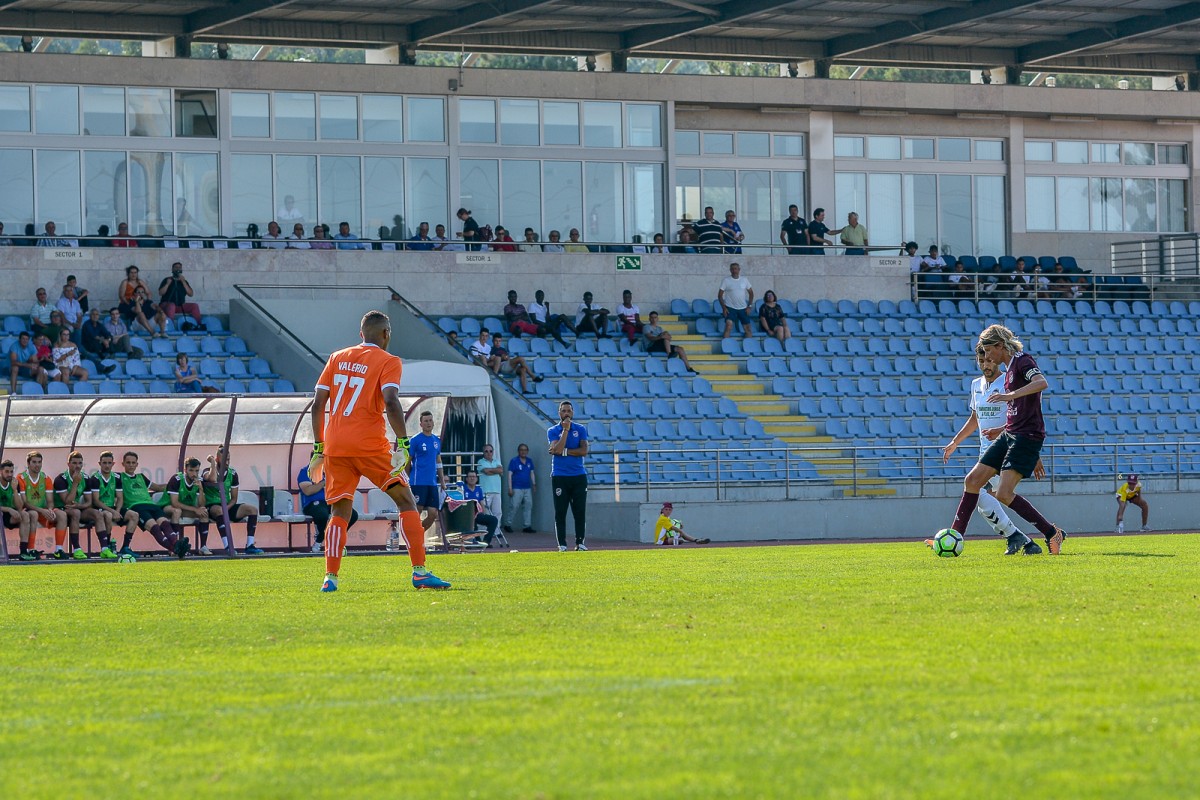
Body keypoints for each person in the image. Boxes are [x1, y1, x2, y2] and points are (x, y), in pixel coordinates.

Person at [308, 312, 451, 591]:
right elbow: (391, 401)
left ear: (362, 334)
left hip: (336, 445)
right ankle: (419, 572)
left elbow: (317, 404)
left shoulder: (337, 357)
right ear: (386, 334)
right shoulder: (389, 361)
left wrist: (319, 447)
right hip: (370, 444)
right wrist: (404, 443)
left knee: (339, 510)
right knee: (406, 501)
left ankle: (330, 578)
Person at [946, 324, 1066, 556]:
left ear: (1000, 346)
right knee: (972, 481)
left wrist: (1009, 395)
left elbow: (1042, 383)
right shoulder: (1010, 367)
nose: (986, 357)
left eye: (988, 351)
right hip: (1009, 433)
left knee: (1002, 494)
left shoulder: (1022, 360)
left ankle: (1051, 532)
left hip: (1025, 435)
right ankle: (954, 537)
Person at [936, 346, 1035, 553]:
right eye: (982, 362)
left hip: (1006, 449)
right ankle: (1021, 538)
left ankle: (1027, 535)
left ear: (996, 360)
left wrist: (1001, 431)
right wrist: (955, 442)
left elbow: (1020, 416)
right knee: (986, 497)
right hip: (985, 453)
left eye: (989, 361)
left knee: (984, 492)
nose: (986, 365)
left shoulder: (1008, 382)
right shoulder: (976, 385)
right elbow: (975, 418)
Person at [117, 451, 190, 559]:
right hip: (136, 507)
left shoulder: (141, 476)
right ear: (123, 464)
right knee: (155, 528)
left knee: (165, 524)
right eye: (128, 462)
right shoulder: (119, 477)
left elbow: (158, 488)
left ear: (137, 464)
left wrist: (174, 484)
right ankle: (176, 548)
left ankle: (176, 546)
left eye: (133, 462)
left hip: (152, 505)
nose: (131, 465)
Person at [202, 446, 262, 555]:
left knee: (252, 509)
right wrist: (212, 464)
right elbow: (212, 479)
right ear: (217, 459)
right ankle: (228, 546)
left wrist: (227, 508)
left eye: (228, 459)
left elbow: (234, 498)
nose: (227, 462)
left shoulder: (233, 474)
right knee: (219, 510)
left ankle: (250, 545)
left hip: (227, 506)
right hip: (212, 507)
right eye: (224, 459)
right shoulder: (207, 471)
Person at [548, 400, 589, 552]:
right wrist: (565, 431)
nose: (566, 414)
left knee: (579, 511)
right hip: (560, 475)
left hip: (578, 475)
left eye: (569, 411)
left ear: (572, 413)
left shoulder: (580, 429)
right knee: (560, 511)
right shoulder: (553, 430)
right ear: (559, 413)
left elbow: (583, 450)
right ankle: (562, 544)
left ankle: (580, 542)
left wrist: (565, 451)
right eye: (564, 411)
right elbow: (556, 449)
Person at [18, 451, 71, 560]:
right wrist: (42, 511)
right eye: (34, 462)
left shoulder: (46, 478)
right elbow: (24, 503)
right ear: (28, 464)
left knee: (61, 514)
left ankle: (58, 550)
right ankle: (30, 549)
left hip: (42, 511)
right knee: (33, 514)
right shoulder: (21, 478)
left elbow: (50, 501)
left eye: (39, 462)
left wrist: (50, 510)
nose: (37, 465)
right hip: (28, 511)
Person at [297, 463, 359, 554]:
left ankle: (336, 537)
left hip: (331, 500)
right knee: (322, 514)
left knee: (352, 515)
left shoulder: (331, 470)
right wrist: (324, 482)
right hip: (312, 503)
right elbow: (308, 491)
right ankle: (319, 539)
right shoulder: (306, 472)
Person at [55, 451, 105, 560]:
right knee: (75, 512)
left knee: (98, 514)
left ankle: (105, 549)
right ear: (68, 464)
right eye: (74, 463)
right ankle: (77, 549)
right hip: (61, 509)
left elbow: (89, 502)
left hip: (76, 508)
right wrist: (75, 483)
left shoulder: (86, 478)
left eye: (80, 463)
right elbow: (67, 502)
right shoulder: (61, 479)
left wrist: (79, 506)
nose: (77, 466)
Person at [408, 409, 448, 543]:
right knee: (416, 511)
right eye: (426, 421)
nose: (428, 423)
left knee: (433, 514)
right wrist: (405, 479)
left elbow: (438, 462)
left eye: (430, 420)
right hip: (417, 482)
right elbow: (409, 461)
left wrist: (442, 481)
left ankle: (417, 535)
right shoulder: (415, 440)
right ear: (421, 424)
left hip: (432, 483)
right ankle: (412, 539)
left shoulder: (436, 440)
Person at [90, 451, 136, 561]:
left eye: (109, 463)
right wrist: (113, 511)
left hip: (113, 508)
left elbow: (120, 498)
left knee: (134, 515)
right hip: (99, 508)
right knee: (108, 515)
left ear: (113, 464)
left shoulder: (116, 477)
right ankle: (107, 546)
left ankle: (125, 547)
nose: (107, 465)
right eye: (104, 463)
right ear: (99, 463)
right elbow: (96, 501)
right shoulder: (95, 478)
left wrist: (118, 510)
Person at [163, 457, 212, 553]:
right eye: (191, 470)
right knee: (177, 511)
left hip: (185, 508)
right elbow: (174, 503)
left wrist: (201, 489)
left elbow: (202, 504)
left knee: (204, 512)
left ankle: (203, 547)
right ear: (185, 470)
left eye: (197, 471)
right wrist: (194, 509)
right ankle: (174, 547)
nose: (194, 474)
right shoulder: (176, 479)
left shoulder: (199, 481)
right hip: (167, 507)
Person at [0, 459, 38, 561]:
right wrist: (8, 509)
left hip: (10, 515)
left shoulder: (14, 483)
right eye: (7, 471)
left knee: (25, 515)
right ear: (1, 472)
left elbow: (19, 506)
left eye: (11, 471)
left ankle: (24, 551)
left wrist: (15, 490)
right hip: (3, 512)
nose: (9, 474)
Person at [457, 470, 500, 548]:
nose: (472, 479)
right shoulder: (462, 489)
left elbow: (481, 502)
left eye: (474, 477)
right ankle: (478, 542)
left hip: (477, 514)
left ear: (477, 479)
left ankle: (486, 542)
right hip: (466, 515)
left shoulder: (478, 489)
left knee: (493, 520)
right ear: (466, 478)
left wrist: (483, 512)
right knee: (472, 523)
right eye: (470, 477)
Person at [158, 261, 203, 329]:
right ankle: (171, 326)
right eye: (176, 267)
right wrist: (167, 284)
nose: (178, 269)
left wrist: (183, 281)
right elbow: (160, 293)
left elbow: (191, 294)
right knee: (172, 305)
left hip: (180, 306)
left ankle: (198, 325)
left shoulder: (184, 281)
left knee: (194, 306)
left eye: (179, 267)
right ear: (172, 269)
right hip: (166, 305)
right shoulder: (167, 280)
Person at [504, 443, 536, 534]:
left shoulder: (529, 461)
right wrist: (510, 488)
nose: (523, 452)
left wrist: (534, 484)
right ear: (518, 451)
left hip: (527, 488)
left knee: (528, 506)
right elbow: (509, 474)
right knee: (514, 506)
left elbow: (532, 473)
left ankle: (527, 526)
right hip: (516, 487)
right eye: (521, 450)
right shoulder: (514, 461)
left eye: (525, 450)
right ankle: (508, 524)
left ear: (527, 451)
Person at [718, 262, 754, 340]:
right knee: (728, 326)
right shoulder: (726, 280)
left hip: (743, 308)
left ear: (739, 270)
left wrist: (749, 306)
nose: (734, 270)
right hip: (730, 308)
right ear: (730, 270)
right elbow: (720, 295)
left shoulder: (744, 280)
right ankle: (726, 345)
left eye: (735, 269)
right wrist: (724, 308)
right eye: (732, 269)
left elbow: (751, 293)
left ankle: (748, 347)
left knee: (747, 328)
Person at [476, 444, 504, 521]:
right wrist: (496, 471)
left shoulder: (497, 461)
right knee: (486, 512)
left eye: (490, 451)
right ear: (483, 453)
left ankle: (496, 531)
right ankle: (486, 531)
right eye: (486, 451)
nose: (489, 453)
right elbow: (486, 471)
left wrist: (491, 470)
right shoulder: (480, 461)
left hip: (497, 490)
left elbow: (501, 471)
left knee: (497, 512)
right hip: (486, 491)